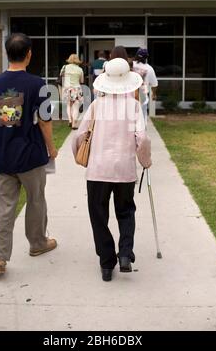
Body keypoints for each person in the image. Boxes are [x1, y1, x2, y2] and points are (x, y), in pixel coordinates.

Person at [0, 33, 58, 276]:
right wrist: (52, 149)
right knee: (36, 201)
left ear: (6, 54)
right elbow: (44, 122)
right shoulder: (38, 84)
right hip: (30, 157)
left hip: (3, 156)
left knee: (5, 207)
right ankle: (38, 244)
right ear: (29, 54)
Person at [72, 58, 152, 282]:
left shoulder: (97, 105)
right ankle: (125, 253)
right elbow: (142, 137)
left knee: (99, 216)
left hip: (98, 170)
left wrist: (80, 157)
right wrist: (145, 160)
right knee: (126, 212)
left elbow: (80, 135)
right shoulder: (134, 106)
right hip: (124, 170)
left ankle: (107, 264)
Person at [133, 48, 158, 123]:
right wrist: (154, 94)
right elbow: (154, 84)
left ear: (136, 55)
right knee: (141, 121)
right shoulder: (150, 69)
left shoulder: (130, 65)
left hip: (130, 96)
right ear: (146, 57)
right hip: (142, 97)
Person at [60, 54, 84, 129]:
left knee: (68, 105)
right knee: (76, 107)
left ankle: (70, 120)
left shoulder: (65, 67)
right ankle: (74, 124)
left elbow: (61, 76)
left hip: (67, 88)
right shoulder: (80, 69)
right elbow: (82, 81)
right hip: (76, 89)